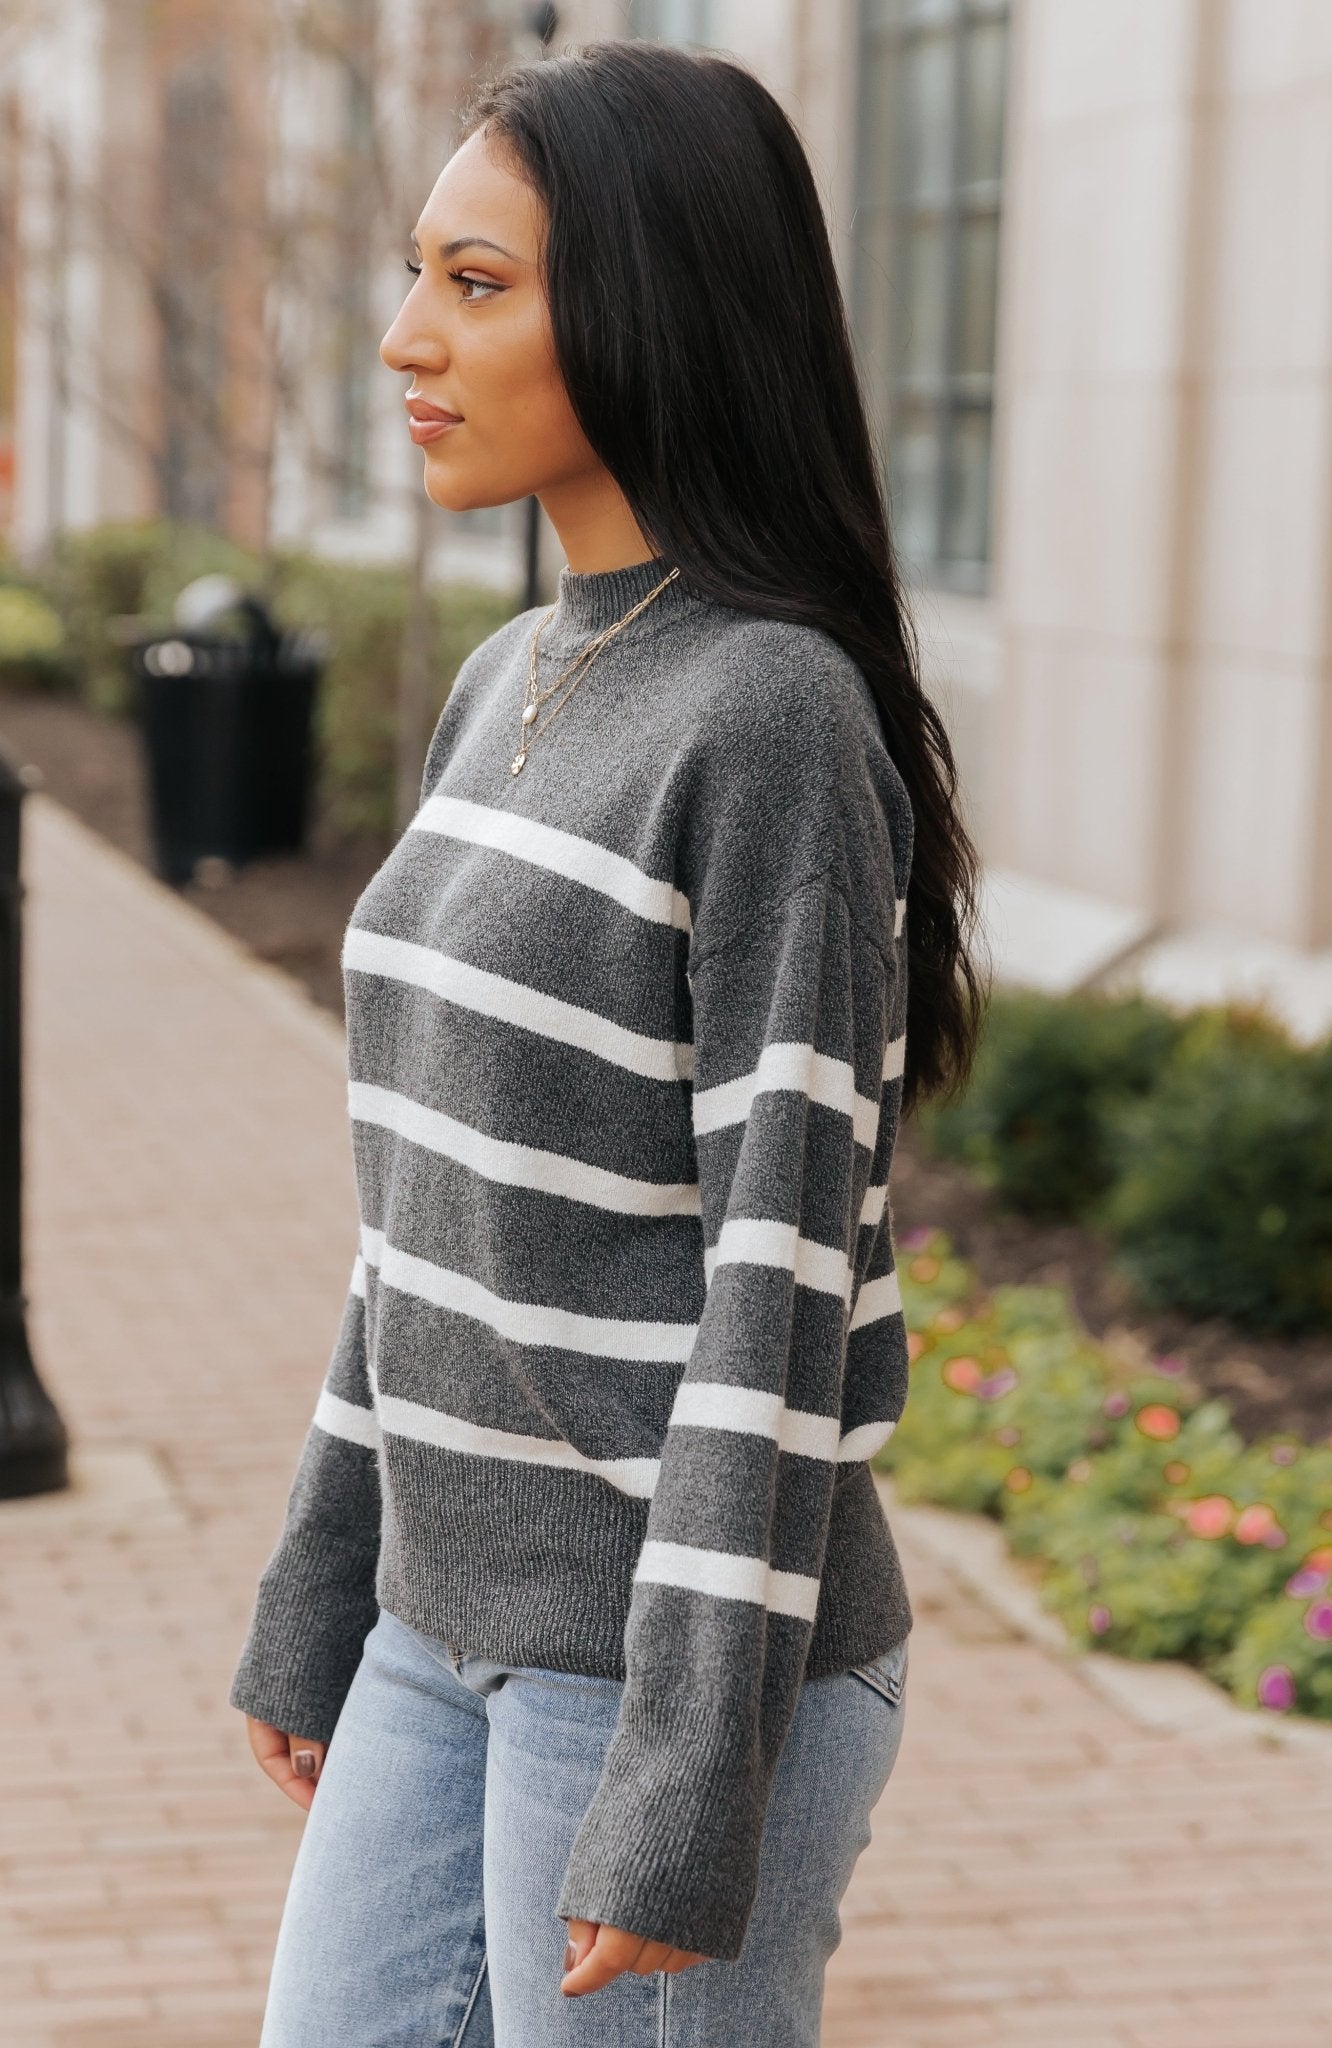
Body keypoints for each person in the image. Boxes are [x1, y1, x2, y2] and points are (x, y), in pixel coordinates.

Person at [228, 37, 985, 2048]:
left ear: (651, 311)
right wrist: (323, 1580)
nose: (407, 338)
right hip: (435, 1619)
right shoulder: (509, 676)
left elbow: (779, 1284)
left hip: (664, 1667)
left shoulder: (771, 721)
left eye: (477, 286)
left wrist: (678, 1779)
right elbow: (429, 1212)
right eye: (418, 273)